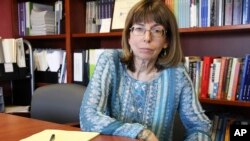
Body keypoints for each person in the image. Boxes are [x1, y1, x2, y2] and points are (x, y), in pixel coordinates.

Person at [79, 0, 212, 141]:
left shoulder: (176, 73)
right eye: (139, 28)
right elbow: (88, 117)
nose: (147, 38)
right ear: (129, 36)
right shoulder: (110, 61)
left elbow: (200, 126)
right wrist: (140, 132)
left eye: (156, 30)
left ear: (166, 41)